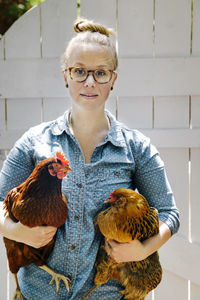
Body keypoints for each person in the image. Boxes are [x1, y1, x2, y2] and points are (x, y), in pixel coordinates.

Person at [0, 19, 179, 300]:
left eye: (101, 73)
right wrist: (17, 232)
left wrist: (143, 249)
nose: (90, 82)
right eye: (80, 71)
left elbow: (169, 213)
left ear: (113, 80)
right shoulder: (34, 142)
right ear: (65, 76)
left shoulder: (136, 148)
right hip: (37, 293)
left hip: (108, 294)